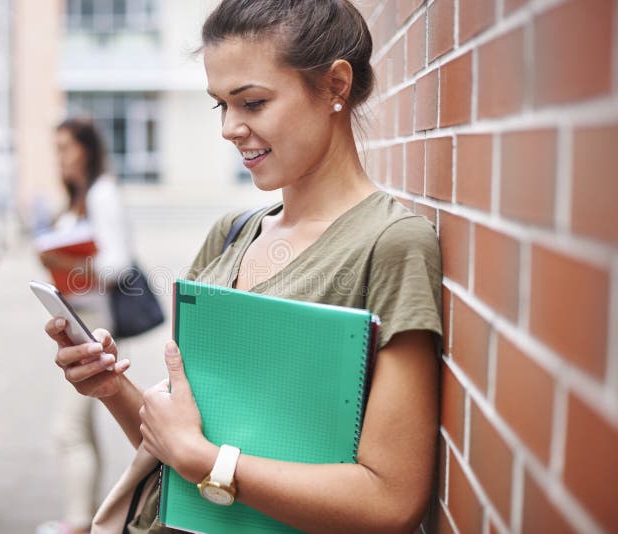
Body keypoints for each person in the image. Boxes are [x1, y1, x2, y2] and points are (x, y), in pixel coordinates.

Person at [45, 0, 443, 531]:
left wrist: (207, 462)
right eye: (220, 106)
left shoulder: (391, 245)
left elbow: (390, 500)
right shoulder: (231, 233)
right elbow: (177, 446)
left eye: (252, 102)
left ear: (336, 87)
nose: (230, 128)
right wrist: (112, 387)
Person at [36, 117, 134, 534]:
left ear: (87, 150)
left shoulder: (102, 193)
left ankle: (78, 522)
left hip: (94, 322)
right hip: (76, 316)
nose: (60, 157)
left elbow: (119, 263)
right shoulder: (76, 197)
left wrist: (69, 264)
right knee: (84, 422)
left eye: (67, 148)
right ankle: (91, 516)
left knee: (68, 427)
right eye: (56, 148)